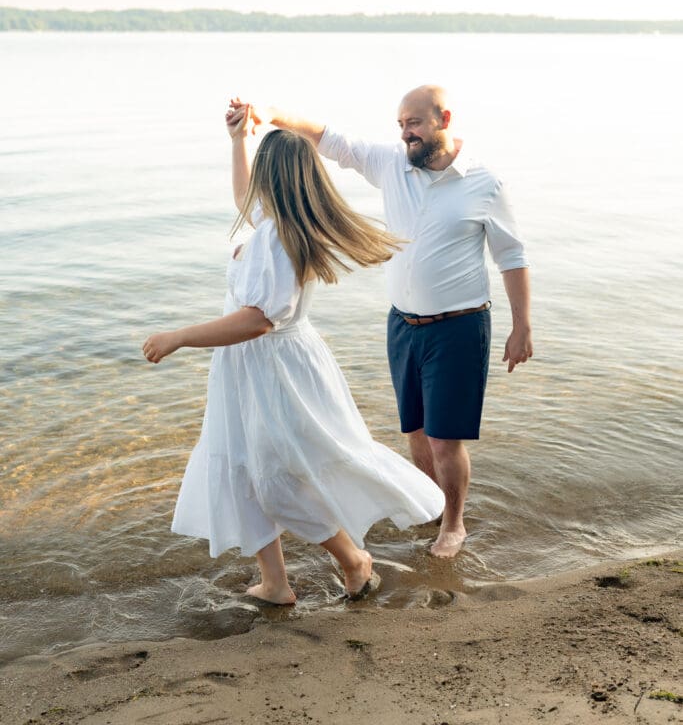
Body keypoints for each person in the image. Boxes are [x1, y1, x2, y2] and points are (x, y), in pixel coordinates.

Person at [142, 110, 444, 606]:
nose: (252, 187)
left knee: (277, 480)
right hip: (249, 369)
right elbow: (243, 199)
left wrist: (179, 336)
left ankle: (353, 559)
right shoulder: (277, 223)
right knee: (244, 469)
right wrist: (238, 140)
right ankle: (276, 583)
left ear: (273, 178)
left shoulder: (279, 240)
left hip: (275, 369)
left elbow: (259, 319)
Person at [230, 85, 532, 559]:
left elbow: (511, 256)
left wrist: (522, 327)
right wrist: (269, 115)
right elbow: (331, 140)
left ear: (443, 119)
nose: (405, 133)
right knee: (414, 433)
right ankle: (428, 509)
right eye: (400, 124)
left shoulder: (484, 183)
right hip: (403, 325)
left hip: (459, 326)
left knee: (444, 439)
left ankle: (453, 525)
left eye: (413, 123)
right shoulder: (393, 164)